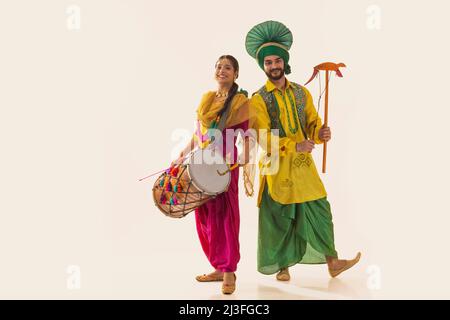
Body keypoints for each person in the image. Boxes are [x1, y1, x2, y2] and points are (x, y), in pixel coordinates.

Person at [245, 21, 361, 281]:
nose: (273, 66)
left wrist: (319, 134)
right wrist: (293, 145)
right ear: (263, 66)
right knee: (278, 217)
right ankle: (281, 265)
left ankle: (333, 262)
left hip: (302, 165)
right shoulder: (258, 99)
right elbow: (262, 136)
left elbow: (312, 122)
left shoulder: (302, 92)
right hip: (276, 165)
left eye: (277, 61)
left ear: (285, 63)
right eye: (268, 63)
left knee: (320, 208)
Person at [172, 55, 254, 294]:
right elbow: (199, 134)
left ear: (236, 74)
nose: (222, 70)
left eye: (228, 67)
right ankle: (219, 266)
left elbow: (247, 134)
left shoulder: (240, 102)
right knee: (205, 217)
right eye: (218, 67)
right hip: (200, 165)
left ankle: (229, 271)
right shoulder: (207, 100)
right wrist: (182, 153)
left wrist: (245, 156)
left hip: (224, 168)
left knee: (226, 218)